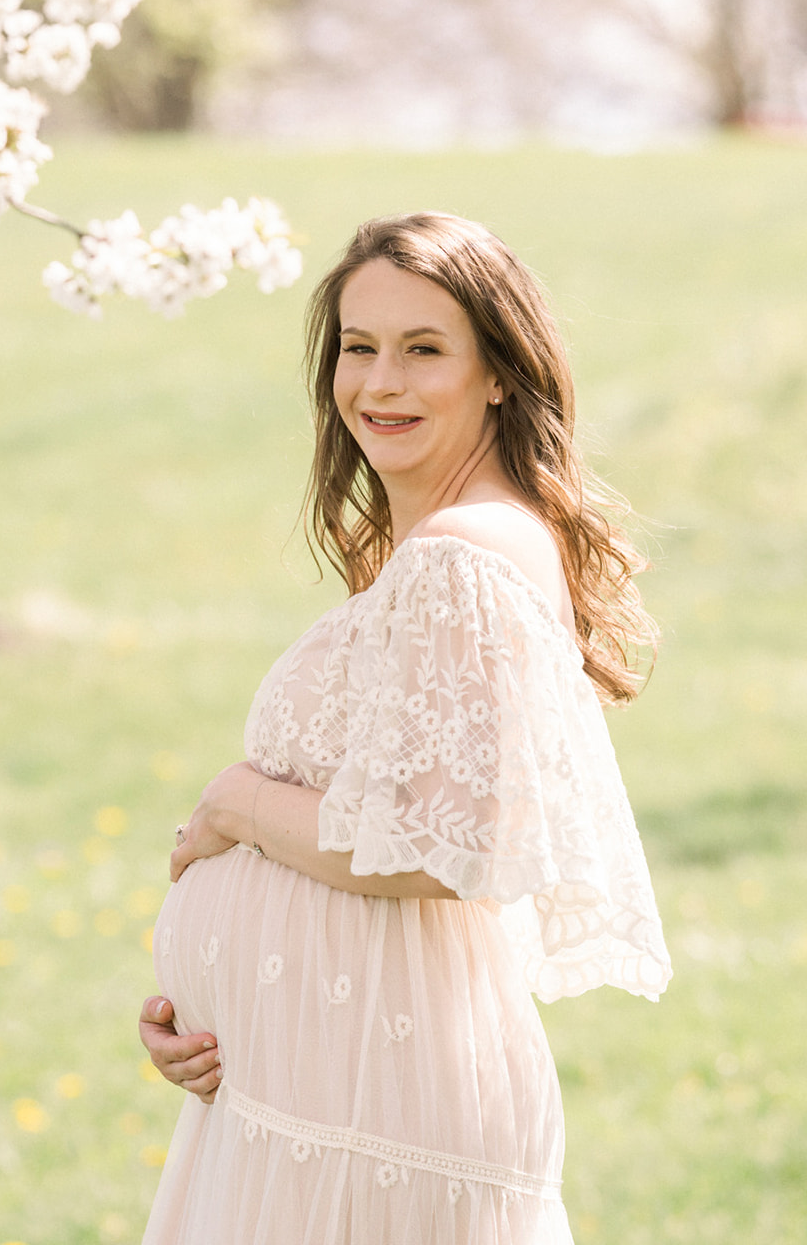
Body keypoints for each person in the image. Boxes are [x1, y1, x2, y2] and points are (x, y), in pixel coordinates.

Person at [138, 212, 671, 1245]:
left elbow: (442, 845)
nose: (378, 382)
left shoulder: (463, 557)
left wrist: (233, 804)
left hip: (369, 1122)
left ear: (498, 373)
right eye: (357, 346)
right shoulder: (447, 548)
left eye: (423, 350)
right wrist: (226, 1008)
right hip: (308, 1101)